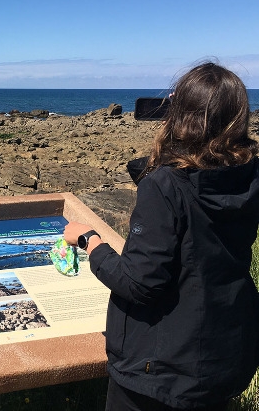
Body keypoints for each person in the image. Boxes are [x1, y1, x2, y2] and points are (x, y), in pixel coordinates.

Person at [64, 62, 259, 411]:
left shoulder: (166, 186)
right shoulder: (247, 177)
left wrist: (89, 241)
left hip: (160, 372)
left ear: (180, 115)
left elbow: (140, 283)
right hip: (223, 355)